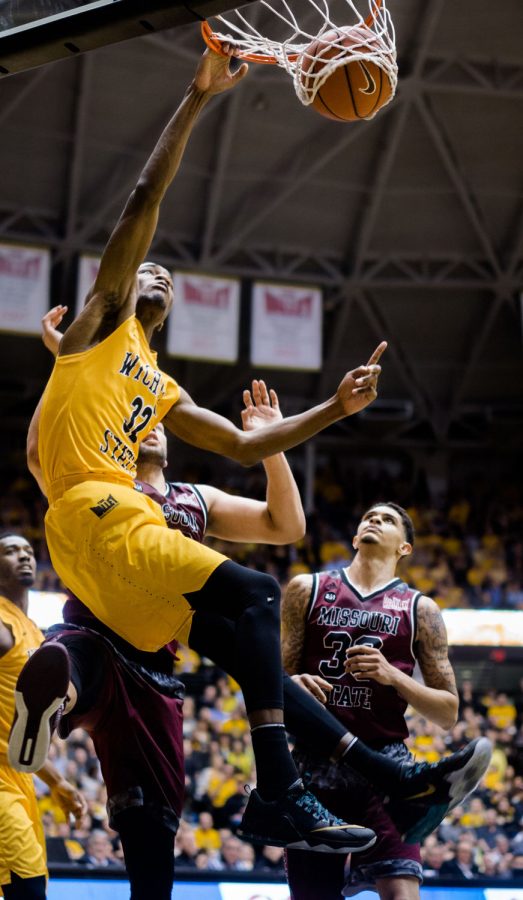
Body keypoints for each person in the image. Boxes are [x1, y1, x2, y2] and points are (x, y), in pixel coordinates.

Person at [12, 44, 387, 855]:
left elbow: (242, 440)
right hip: (95, 510)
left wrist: (335, 405)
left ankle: (72, 691)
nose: (156, 275)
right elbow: (143, 197)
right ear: (119, 284)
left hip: (95, 546)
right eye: (146, 269)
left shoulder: (156, 383)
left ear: (171, 312)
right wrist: (197, 96)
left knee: (219, 626)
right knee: (254, 592)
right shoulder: (102, 320)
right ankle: (280, 791)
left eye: (168, 280)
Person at [280, 502, 491, 900]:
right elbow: (271, 683)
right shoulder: (306, 589)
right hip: (313, 764)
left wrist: (393, 675)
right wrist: (294, 683)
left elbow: (447, 712)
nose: (374, 520)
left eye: (388, 520)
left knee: (401, 892)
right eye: (368, 518)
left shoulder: (421, 609)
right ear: (356, 537)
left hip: (385, 763)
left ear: (404, 548)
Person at [0, 532, 86, 900]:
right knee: (28, 888)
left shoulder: (33, 631)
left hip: (20, 779)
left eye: (28, 551)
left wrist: (56, 782)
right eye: (9, 551)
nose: (23, 556)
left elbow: (19, 739)